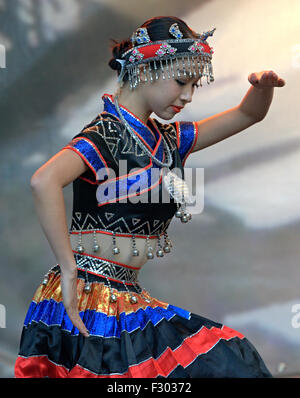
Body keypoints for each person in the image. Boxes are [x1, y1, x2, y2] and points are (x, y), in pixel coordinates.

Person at [14, 16, 285, 378]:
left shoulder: (168, 140)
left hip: (125, 299)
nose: (188, 96)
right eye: (180, 82)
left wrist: (262, 87)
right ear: (145, 69)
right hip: (88, 300)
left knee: (230, 360)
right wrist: (67, 269)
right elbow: (43, 180)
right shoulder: (106, 134)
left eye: (194, 85)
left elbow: (248, 113)